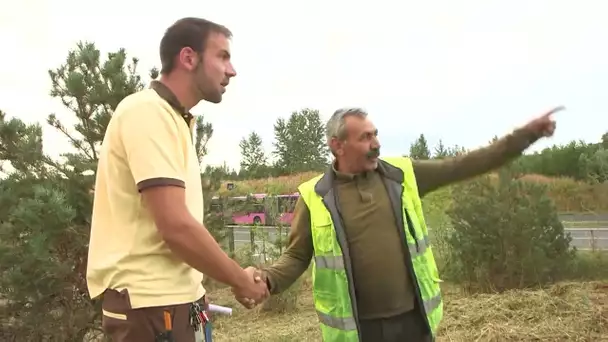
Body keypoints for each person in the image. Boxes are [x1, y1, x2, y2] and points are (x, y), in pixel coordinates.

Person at [244, 106, 562, 342]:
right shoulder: (315, 196)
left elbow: (465, 165)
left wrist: (526, 136)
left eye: (376, 134)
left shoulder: (402, 176)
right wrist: (267, 281)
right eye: (365, 137)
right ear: (337, 145)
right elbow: (297, 256)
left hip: (413, 323)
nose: (376, 143)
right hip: (359, 331)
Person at [86, 17, 268, 342]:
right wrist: (239, 278)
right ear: (188, 58)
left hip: (175, 302)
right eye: (223, 57)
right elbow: (175, 226)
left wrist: (192, 289)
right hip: (149, 308)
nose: (232, 70)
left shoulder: (175, 118)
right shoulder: (147, 112)